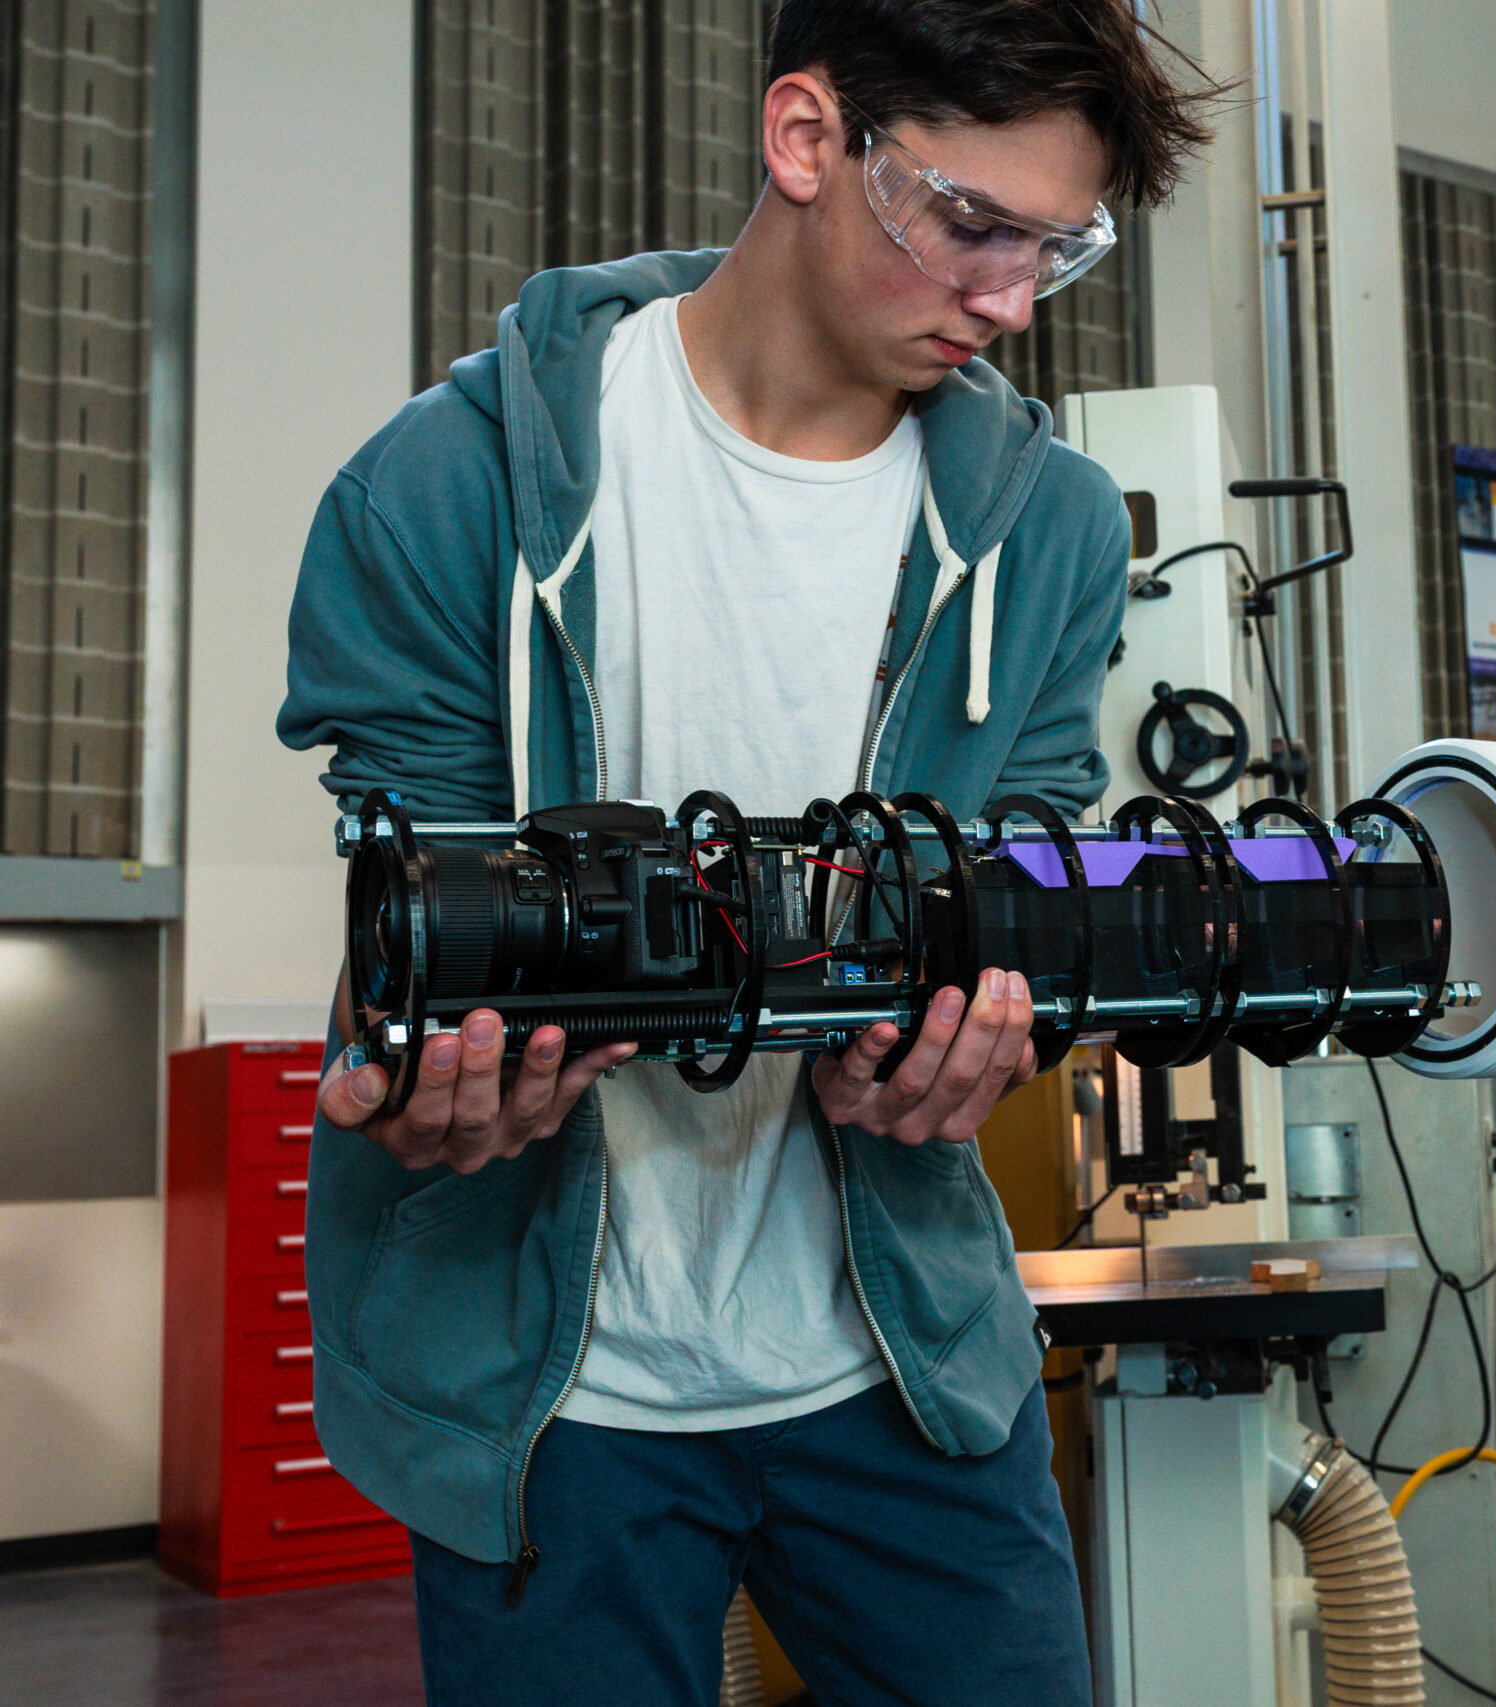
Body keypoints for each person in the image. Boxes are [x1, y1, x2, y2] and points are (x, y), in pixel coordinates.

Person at [276, 5, 1217, 1701]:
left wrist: (979, 1045)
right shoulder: (444, 489)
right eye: (973, 225)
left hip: (901, 1359)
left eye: (1056, 250)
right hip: (547, 1389)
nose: (1010, 300)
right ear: (805, 139)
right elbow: (406, 907)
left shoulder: (1055, 529)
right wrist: (415, 1083)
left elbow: (1018, 872)